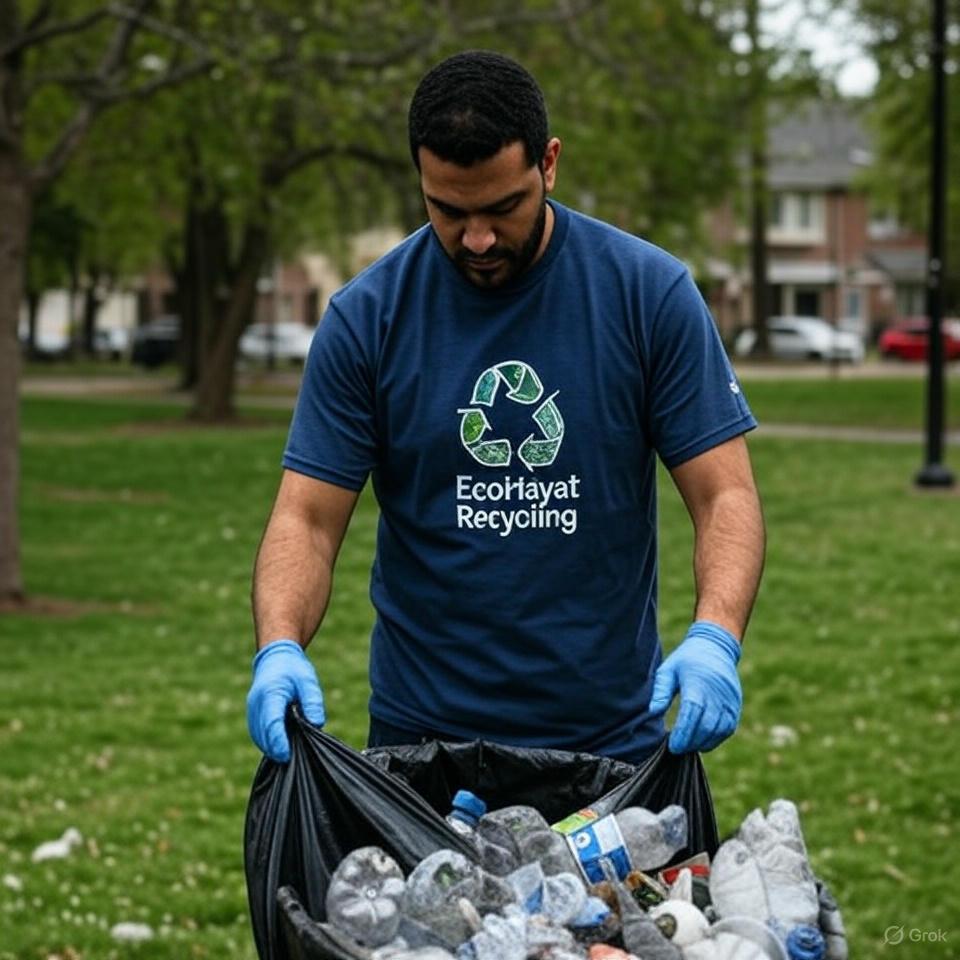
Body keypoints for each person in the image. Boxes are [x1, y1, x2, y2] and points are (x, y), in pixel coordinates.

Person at [246, 50, 765, 766]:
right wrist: (278, 644)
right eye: (448, 211)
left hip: (608, 743)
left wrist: (715, 637)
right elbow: (306, 518)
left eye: (502, 208)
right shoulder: (369, 317)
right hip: (421, 746)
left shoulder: (648, 295)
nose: (478, 239)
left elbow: (725, 495)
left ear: (548, 165)